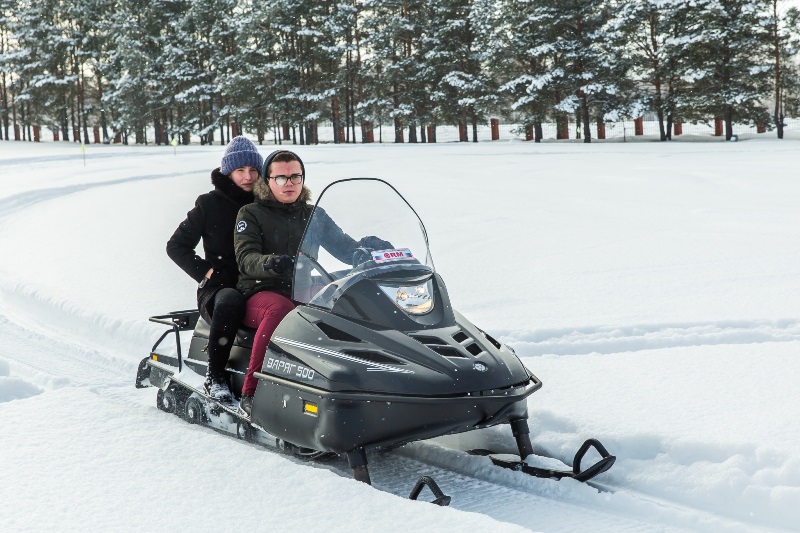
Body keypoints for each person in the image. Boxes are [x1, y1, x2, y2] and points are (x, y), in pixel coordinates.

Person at [234, 150, 390, 416]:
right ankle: (252, 391)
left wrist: (368, 250)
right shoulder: (251, 213)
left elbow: (344, 247)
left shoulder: (313, 214)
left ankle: (374, 379)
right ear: (268, 181)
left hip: (302, 287)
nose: (290, 183)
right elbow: (246, 257)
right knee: (281, 312)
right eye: (281, 178)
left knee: (352, 297)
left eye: (295, 176)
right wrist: (271, 263)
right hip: (260, 291)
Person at [166, 136, 263, 403]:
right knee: (230, 301)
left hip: (260, 283)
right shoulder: (210, 203)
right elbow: (176, 246)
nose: (248, 176)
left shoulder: (265, 204)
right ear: (228, 171)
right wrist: (207, 272)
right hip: (219, 289)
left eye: (253, 170)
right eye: (240, 170)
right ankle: (216, 376)